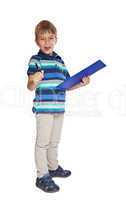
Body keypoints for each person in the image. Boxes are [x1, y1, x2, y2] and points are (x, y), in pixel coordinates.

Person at [27, 20, 90, 193]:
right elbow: (30, 86)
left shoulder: (60, 61)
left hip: (59, 109)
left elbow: (67, 85)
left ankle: (53, 167)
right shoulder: (36, 60)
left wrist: (81, 84)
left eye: (50, 38)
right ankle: (42, 176)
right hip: (44, 109)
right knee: (43, 143)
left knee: (54, 141)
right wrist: (34, 79)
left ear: (56, 39)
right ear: (37, 41)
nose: (47, 43)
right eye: (43, 39)